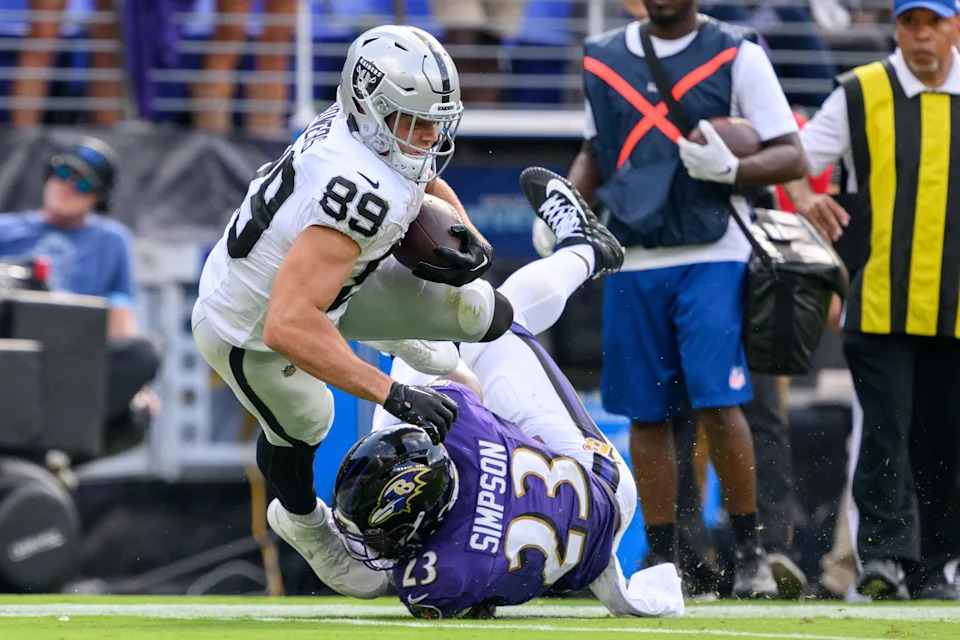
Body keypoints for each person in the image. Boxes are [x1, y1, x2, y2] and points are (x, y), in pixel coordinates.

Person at [191, 25, 513, 590]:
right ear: (370, 109)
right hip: (251, 328)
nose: (428, 137)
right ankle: (302, 522)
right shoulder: (359, 191)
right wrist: (394, 394)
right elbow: (288, 324)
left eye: (436, 122)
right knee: (311, 420)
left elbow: (422, 180)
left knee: (484, 310)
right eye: (414, 123)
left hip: (335, 289)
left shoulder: (360, 130)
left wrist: (466, 229)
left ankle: (403, 345)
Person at [313, 167, 684, 617]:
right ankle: (586, 249)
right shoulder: (463, 433)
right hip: (597, 483)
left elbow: (464, 582)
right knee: (495, 322)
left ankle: (584, 249)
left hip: (578, 549)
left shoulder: (433, 586)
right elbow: (461, 379)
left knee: (467, 342)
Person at [567, 0, 806, 598]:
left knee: (719, 401)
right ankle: (667, 551)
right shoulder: (603, 57)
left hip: (713, 248)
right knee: (646, 414)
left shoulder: (737, 51)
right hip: (633, 250)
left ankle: (750, 551)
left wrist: (734, 168)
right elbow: (597, 151)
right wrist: (570, 209)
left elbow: (790, 153)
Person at [782, 0, 960, 601]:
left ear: (955, 26)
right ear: (895, 28)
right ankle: (883, 558)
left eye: (933, 21)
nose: (921, 35)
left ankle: (938, 564)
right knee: (886, 431)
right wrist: (806, 196)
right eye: (910, 22)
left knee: (945, 437)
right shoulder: (862, 91)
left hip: (956, 307)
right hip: (878, 298)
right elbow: (794, 155)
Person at [0, 136, 160, 452]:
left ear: (98, 198)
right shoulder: (6, 230)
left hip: (70, 364)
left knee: (145, 353)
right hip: (9, 350)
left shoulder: (112, 241)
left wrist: (137, 388)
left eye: (83, 185)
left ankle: (54, 445)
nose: (67, 187)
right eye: (63, 174)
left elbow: (120, 316)